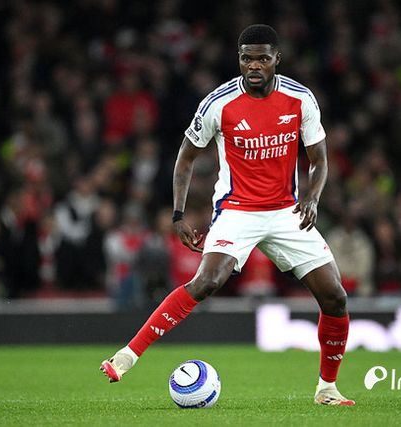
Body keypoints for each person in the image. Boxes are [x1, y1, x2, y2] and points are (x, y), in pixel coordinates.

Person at [100, 24, 355, 406]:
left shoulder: (300, 99)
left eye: (262, 58)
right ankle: (127, 356)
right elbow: (186, 158)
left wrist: (313, 199)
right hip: (238, 211)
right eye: (247, 59)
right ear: (239, 59)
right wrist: (178, 214)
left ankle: (327, 389)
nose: (254, 66)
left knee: (335, 297)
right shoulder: (218, 103)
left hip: (286, 212)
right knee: (207, 281)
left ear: (276, 59)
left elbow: (319, 159)